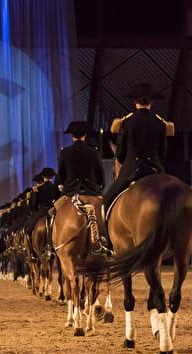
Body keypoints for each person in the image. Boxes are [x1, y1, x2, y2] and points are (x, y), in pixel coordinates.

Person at [103, 83, 169, 213]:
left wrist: (122, 160)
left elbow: (121, 153)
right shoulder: (160, 122)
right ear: (152, 102)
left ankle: (103, 232)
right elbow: (163, 152)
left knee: (106, 202)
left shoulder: (127, 121)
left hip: (131, 168)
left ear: (135, 101)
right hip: (155, 168)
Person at [57, 121, 110, 255]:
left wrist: (63, 185)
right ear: (85, 135)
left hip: (70, 192)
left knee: (52, 215)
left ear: (72, 136)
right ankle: (108, 245)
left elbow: (61, 175)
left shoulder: (65, 152)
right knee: (108, 217)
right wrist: (98, 188)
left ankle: (51, 247)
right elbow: (100, 175)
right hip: (92, 191)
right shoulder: (93, 152)